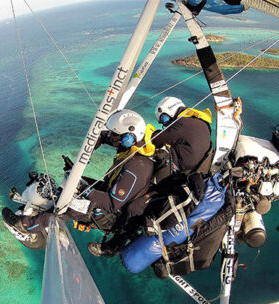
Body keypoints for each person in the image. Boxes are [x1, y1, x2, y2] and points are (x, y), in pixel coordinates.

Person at [87, 96, 213, 257]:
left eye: (164, 119)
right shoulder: (199, 121)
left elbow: (156, 139)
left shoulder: (181, 124)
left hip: (177, 182)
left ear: (170, 111)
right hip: (184, 176)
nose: (165, 123)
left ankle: (113, 246)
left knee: (136, 206)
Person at [2, 109, 156, 239]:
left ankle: (27, 227)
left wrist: (84, 189)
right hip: (108, 193)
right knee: (71, 183)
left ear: (129, 138)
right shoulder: (132, 148)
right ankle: (46, 209)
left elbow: (112, 204)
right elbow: (103, 137)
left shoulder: (137, 167)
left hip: (112, 216)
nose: (112, 138)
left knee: (66, 205)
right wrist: (80, 165)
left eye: (116, 135)